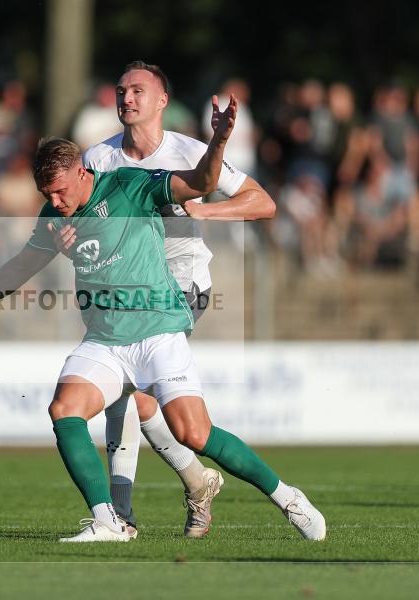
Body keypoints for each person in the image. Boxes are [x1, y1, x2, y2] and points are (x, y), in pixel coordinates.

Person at [0, 118, 325, 543]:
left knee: (194, 433)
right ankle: (109, 520)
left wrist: (220, 141)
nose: (55, 202)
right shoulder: (54, 216)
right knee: (64, 409)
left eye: (60, 191)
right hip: (105, 341)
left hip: (157, 331)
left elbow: (202, 181)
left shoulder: (129, 185)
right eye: (47, 194)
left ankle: (289, 498)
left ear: (82, 172)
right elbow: (22, 265)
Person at [65, 61, 275, 538]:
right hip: (121, 289)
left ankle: (122, 514)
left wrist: (207, 212)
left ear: (162, 101)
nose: (126, 97)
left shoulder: (190, 151)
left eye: (138, 90)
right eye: (121, 90)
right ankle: (195, 482)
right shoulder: (98, 157)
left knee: (131, 395)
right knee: (134, 401)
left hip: (179, 285)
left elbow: (263, 202)